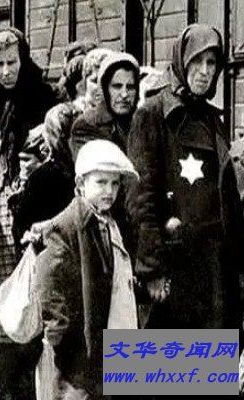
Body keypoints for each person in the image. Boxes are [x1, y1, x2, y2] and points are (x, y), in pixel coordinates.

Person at [126, 24, 244, 329]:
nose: (204, 71)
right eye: (196, 61)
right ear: (181, 61)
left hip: (215, 267)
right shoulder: (152, 114)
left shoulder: (212, 119)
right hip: (175, 266)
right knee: (168, 357)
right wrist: (151, 268)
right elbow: (140, 197)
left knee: (212, 356)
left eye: (211, 62)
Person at [0, 27, 56, 400]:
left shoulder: (43, 98)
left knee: (26, 297)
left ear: (23, 60)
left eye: (12, 62)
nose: (6, 71)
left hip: (26, 210)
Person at [37, 139, 140, 400]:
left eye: (115, 183)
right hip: (81, 353)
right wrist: (59, 335)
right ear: (81, 184)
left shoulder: (112, 222)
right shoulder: (67, 226)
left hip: (115, 337)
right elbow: (51, 284)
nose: (109, 191)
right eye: (101, 182)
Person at [70, 52, 139, 158]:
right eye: (117, 86)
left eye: (130, 87)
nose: (124, 94)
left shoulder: (143, 121)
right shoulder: (86, 125)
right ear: (104, 89)